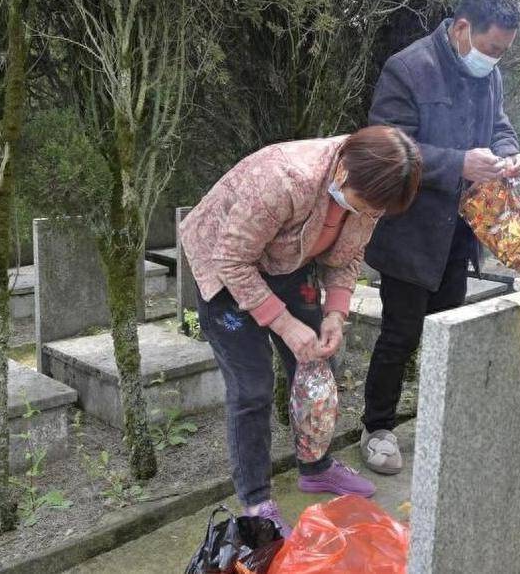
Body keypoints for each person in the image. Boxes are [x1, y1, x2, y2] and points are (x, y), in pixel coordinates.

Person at [179, 125, 421, 535]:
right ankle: (255, 501)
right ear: (343, 173)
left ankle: (315, 467)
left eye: (375, 213)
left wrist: (335, 314)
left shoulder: (369, 193)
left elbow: (348, 254)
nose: (367, 216)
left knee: (317, 365)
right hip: (227, 268)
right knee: (252, 388)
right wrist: (285, 323)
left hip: (289, 261)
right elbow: (232, 260)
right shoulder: (284, 179)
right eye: (364, 206)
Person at [360, 0, 520, 474]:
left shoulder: (488, 75)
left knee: (446, 332)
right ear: (461, 29)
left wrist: (511, 150)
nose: (493, 60)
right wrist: (458, 163)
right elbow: (387, 149)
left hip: (459, 231)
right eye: (491, 48)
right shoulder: (409, 69)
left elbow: (498, 123)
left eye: (502, 53)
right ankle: (378, 427)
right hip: (411, 234)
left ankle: (437, 418)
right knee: (399, 335)